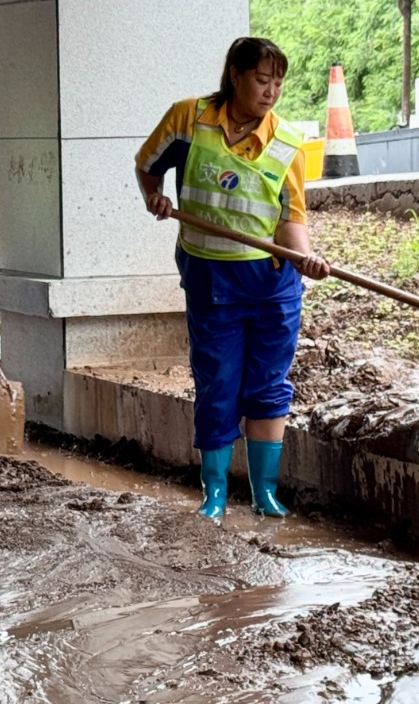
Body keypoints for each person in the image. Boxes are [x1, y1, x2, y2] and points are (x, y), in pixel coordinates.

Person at [134, 37, 331, 520]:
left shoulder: (288, 143)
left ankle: (265, 492)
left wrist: (305, 258)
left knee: (268, 384)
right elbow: (147, 165)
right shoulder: (189, 119)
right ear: (235, 76)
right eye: (262, 80)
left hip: (272, 284)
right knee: (217, 382)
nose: (271, 92)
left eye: (278, 83)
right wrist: (154, 197)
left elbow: (291, 218)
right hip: (211, 278)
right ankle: (216, 492)